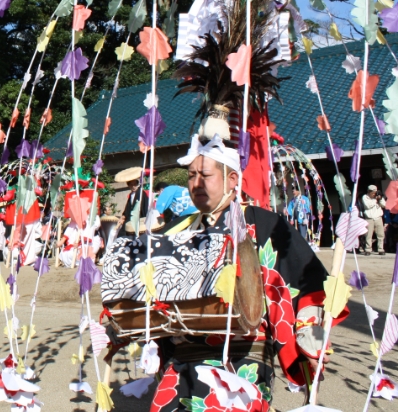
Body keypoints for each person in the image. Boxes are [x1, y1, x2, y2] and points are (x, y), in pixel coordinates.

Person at [145, 135, 347, 411]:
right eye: (191, 175)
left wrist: (309, 332)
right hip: (184, 355)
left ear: (231, 179)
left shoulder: (264, 224)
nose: (195, 183)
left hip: (245, 357)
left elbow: (303, 283)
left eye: (205, 174)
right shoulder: (175, 230)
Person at [361, 185, 387, 255]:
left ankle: (381, 249)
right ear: (369, 192)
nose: (374, 194)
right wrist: (376, 199)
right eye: (373, 193)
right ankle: (368, 249)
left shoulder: (378, 197)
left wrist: (380, 199)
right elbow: (368, 206)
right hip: (369, 218)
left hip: (378, 218)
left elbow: (384, 205)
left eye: (375, 192)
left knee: (380, 234)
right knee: (368, 235)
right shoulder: (365, 197)